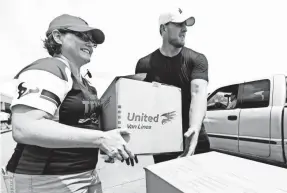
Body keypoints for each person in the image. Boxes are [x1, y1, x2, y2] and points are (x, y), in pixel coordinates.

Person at [2, 14, 137, 193]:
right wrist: (101, 139)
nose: (90, 44)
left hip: (87, 174)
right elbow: (25, 127)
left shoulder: (86, 84)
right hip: (46, 180)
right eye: (83, 36)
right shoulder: (50, 68)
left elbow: (84, 126)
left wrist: (110, 145)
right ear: (58, 37)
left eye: (92, 41)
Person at [135, 7, 210, 163]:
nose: (185, 29)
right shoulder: (144, 64)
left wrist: (194, 128)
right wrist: (134, 142)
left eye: (185, 25)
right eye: (179, 24)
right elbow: (140, 105)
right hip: (163, 142)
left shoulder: (197, 59)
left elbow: (198, 93)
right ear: (163, 28)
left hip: (195, 137)